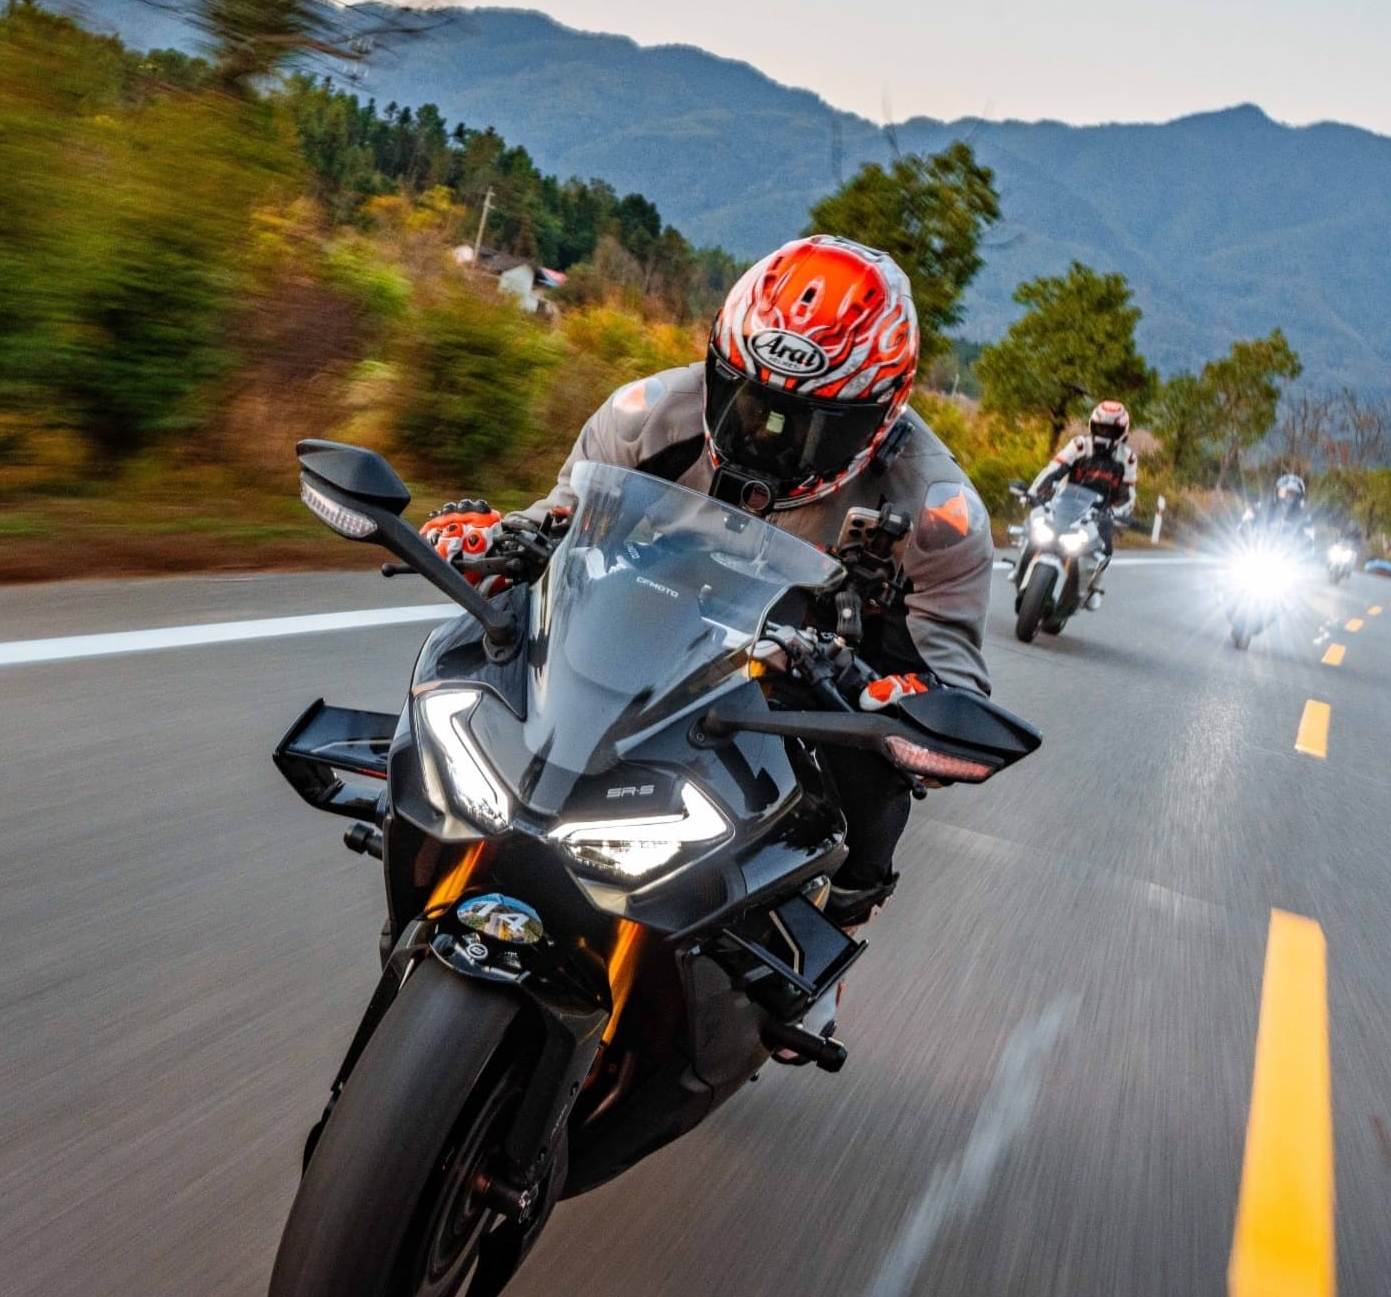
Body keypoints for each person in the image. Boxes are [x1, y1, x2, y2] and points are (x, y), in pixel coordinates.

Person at [418, 235, 991, 931]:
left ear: (881, 416)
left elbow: (954, 676)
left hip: (815, 673)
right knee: (492, 628)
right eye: (746, 396)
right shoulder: (647, 414)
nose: (767, 433)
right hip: (651, 618)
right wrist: (495, 537)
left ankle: (827, 938)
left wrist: (909, 702)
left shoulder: (940, 514)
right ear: (717, 359)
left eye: (810, 422)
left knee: (873, 791)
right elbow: (563, 515)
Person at [1024, 399, 1137, 590]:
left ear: (1121, 432)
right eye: (1101, 428)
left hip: (1100, 514)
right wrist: (1033, 492)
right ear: (1093, 426)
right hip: (1065, 504)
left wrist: (1118, 514)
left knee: (1105, 549)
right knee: (1034, 530)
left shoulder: (1128, 458)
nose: (1105, 434)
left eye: (1111, 431)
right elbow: (1053, 471)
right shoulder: (1079, 445)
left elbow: (1127, 494)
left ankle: (1091, 587)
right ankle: (1022, 569)